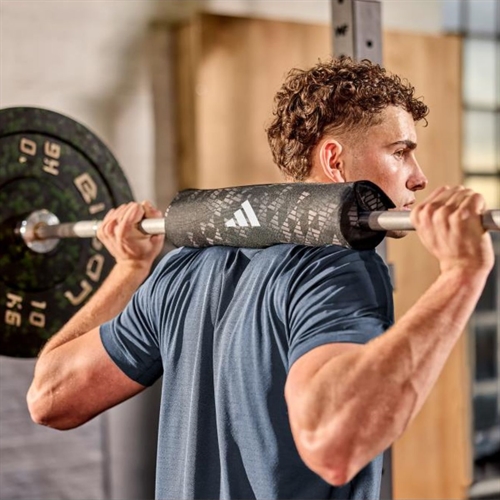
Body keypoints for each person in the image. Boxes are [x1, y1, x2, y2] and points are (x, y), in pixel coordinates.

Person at [27, 58, 494, 499]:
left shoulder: (181, 268)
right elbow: (334, 445)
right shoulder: (334, 270)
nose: (418, 178)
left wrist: (130, 270)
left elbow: (50, 395)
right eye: (400, 153)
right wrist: (460, 275)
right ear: (334, 160)